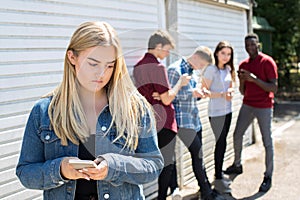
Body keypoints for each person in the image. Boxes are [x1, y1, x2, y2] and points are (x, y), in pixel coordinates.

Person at [16, 21, 164, 200]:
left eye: (110, 66)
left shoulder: (135, 107)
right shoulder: (45, 111)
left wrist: (114, 167)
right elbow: (25, 172)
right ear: (72, 57)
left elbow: (154, 165)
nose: (101, 74)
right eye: (93, 64)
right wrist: (60, 170)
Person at [133, 30, 190, 200]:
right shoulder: (158, 67)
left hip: (148, 121)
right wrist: (180, 83)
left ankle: (173, 191)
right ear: (158, 46)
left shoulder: (138, 66)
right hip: (164, 121)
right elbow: (166, 99)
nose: (167, 54)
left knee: (159, 161)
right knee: (167, 163)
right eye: (166, 50)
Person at [168, 46, 225, 200]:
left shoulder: (192, 72)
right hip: (182, 121)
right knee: (197, 154)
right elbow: (169, 97)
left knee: (198, 156)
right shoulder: (174, 70)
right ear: (196, 57)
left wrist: (200, 94)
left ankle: (205, 190)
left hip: (194, 120)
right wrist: (191, 92)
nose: (201, 69)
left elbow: (192, 95)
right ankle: (207, 193)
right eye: (201, 65)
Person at [224, 33, 278, 193]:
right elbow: (242, 91)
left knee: (267, 142)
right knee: (237, 134)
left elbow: (274, 88)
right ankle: (237, 164)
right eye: (248, 46)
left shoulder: (267, 62)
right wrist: (242, 81)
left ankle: (268, 176)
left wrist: (254, 79)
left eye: (253, 45)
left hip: (264, 106)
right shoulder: (244, 64)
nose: (250, 48)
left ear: (258, 45)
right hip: (248, 104)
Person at [201, 41, 236, 194]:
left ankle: (219, 174)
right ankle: (218, 177)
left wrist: (231, 92)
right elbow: (204, 91)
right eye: (223, 53)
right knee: (220, 142)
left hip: (227, 111)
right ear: (216, 53)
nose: (226, 57)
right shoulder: (211, 70)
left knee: (223, 142)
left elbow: (231, 85)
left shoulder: (228, 68)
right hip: (215, 113)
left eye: (228, 54)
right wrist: (221, 95)